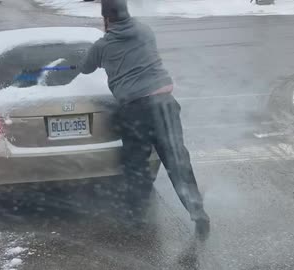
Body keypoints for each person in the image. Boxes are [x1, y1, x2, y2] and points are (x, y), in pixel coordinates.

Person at [78, 0, 210, 237]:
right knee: (177, 160)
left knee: (135, 165)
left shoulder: (104, 45)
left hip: (135, 110)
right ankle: (197, 211)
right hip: (165, 104)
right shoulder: (145, 31)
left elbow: (86, 68)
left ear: (106, 19)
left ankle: (136, 219)